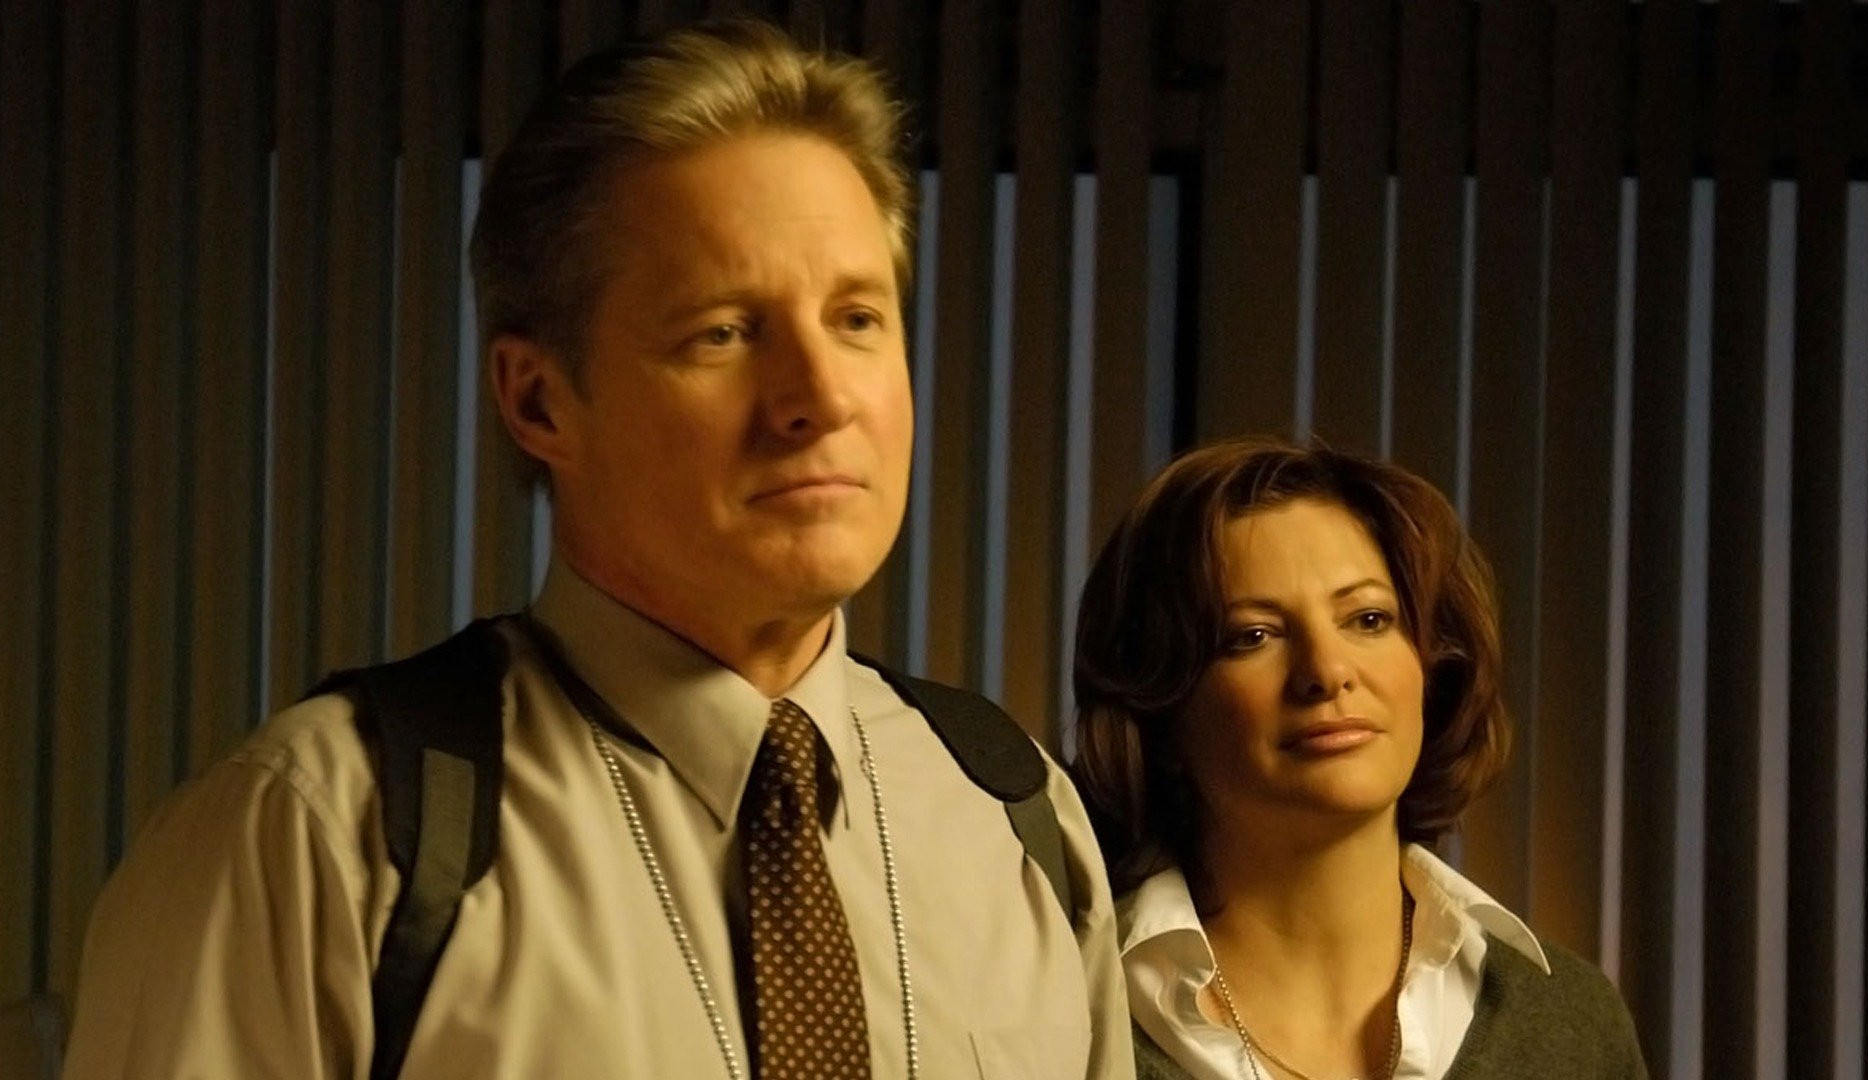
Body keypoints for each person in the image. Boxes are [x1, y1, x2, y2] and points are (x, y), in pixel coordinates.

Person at [64, 21, 1129, 1079]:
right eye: (724, 332)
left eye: (856, 319)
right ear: (538, 401)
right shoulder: (319, 838)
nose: (819, 397)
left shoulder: (1015, 819)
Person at [1070, 437, 1647, 1079]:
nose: (1327, 671)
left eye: (1368, 620)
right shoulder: (1068, 1015)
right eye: (1253, 636)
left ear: (1430, 668)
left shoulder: (1570, 1027)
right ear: (1160, 702)